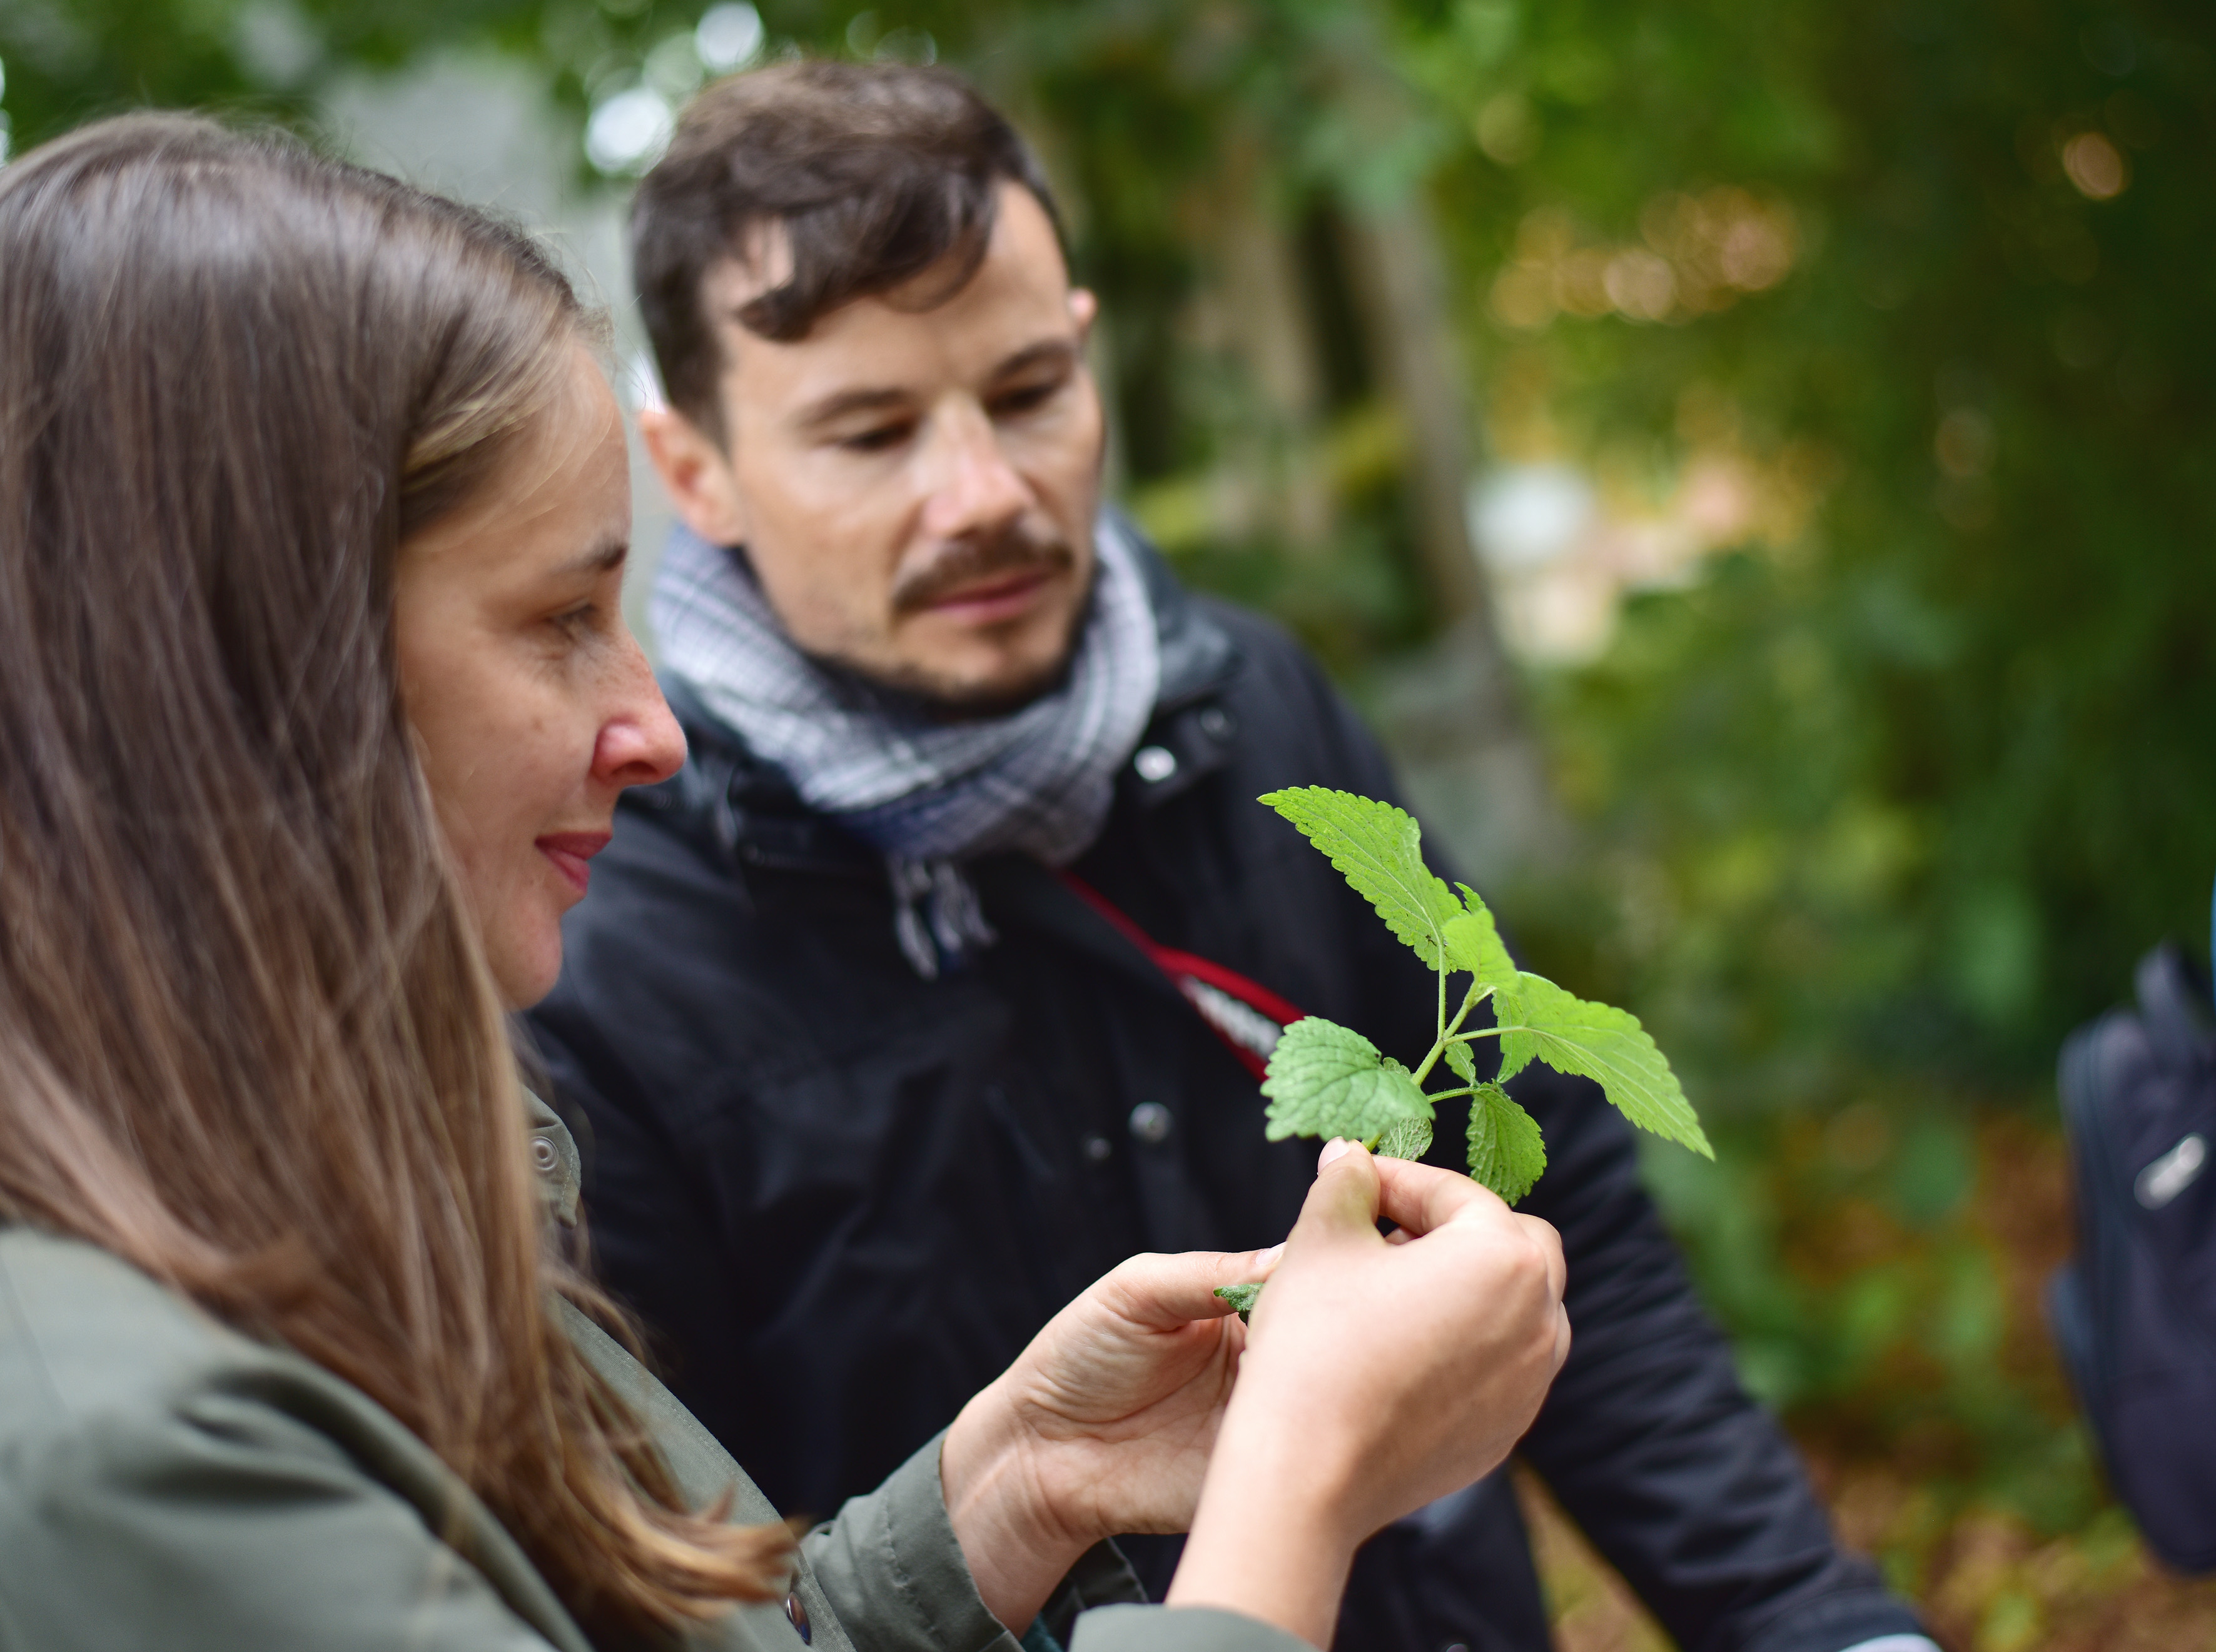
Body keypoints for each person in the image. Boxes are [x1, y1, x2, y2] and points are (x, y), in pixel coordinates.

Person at [0, 114, 1575, 1652]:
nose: (653, 731)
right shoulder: (127, 1465)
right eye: (559, 619)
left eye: (1028, 387)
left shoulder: (336, 1211)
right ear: (256, 677)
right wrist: (1291, 1481)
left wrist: (1011, 1492)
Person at [529, 61, 1938, 1652]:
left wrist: (1815, 1623)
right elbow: (687, 1589)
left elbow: (1552, 1202)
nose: (981, 493)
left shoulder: (1255, 714)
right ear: (693, 468)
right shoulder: (589, 948)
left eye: (1028, 393)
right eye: (870, 432)